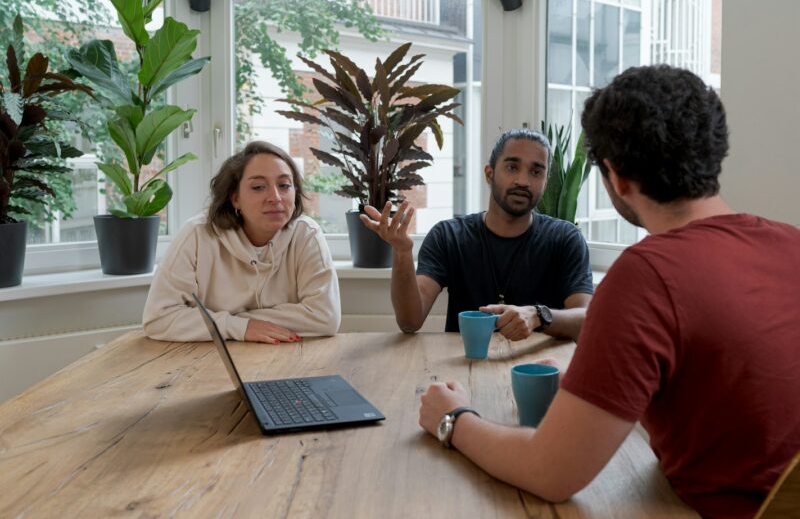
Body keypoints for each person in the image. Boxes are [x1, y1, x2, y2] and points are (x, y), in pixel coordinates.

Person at [416, 66, 800, 519]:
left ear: (615, 178)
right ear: (714, 152)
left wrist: (454, 417)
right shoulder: (791, 243)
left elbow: (550, 472)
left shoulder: (647, 276)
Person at [361, 129, 593, 341]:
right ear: (489, 174)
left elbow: (587, 321)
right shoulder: (448, 236)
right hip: (463, 370)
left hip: (537, 372)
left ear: (545, 181)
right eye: (512, 167)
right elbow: (409, 321)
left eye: (535, 171)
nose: (523, 181)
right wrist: (402, 253)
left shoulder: (565, 238)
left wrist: (538, 316)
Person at [143, 141, 341, 343]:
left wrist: (229, 322)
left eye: (284, 185)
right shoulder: (197, 235)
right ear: (235, 198)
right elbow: (158, 318)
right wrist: (238, 327)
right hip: (207, 361)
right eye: (258, 187)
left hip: (287, 356)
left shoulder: (306, 234)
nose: (275, 197)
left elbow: (325, 318)